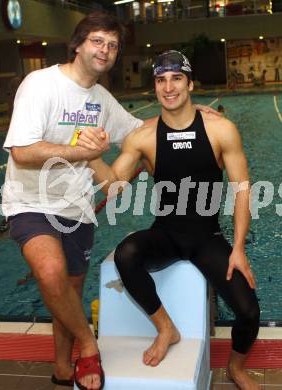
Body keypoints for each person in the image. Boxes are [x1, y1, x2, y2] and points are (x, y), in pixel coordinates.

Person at [2, 14, 218, 390]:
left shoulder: (101, 100)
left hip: (78, 208)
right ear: (78, 44)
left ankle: (61, 370)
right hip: (31, 201)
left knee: (66, 293)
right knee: (50, 274)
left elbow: (141, 131)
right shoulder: (41, 84)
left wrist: (193, 114)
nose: (105, 50)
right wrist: (80, 153)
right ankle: (88, 345)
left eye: (113, 45)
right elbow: (21, 151)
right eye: (98, 41)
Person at [88, 50, 260, 390]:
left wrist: (238, 247)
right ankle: (166, 327)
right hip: (166, 233)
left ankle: (236, 369)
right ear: (155, 87)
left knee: (249, 312)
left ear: (190, 83)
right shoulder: (144, 136)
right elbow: (113, 186)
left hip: (207, 237)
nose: (168, 87)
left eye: (176, 78)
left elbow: (243, 191)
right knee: (126, 254)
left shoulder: (221, 129)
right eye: (161, 80)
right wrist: (93, 154)